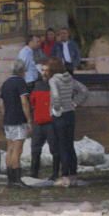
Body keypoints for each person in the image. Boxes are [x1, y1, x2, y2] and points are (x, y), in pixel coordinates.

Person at [47, 57, 89, 187]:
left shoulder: (53, 80)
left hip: (59, 115)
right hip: (70, 114)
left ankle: (64, 176)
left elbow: (55, 96)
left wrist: (57, 108)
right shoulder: (70, 78)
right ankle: (73, 174)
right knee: (70, 145)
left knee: (62, 146)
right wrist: (75, 102)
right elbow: (84, 91)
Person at [0, 59, 33, 186]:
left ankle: (9, 178)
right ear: (21, 71)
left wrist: (5, 117)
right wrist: (29, 119)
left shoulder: (5, 83)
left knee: (10, 148)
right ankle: (17, 179)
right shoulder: (20, 83)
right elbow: (24, 102)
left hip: (8, 119)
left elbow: (1, 103)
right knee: (17, 150)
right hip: (18, 119)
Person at [29, 70, 59, 181]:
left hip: (38, 122)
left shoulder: (36, 88)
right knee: (55, 149)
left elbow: (32, 102)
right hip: (51, 122)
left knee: (35, 148)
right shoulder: (55, 86)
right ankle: (55, 173)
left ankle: (34, 172)